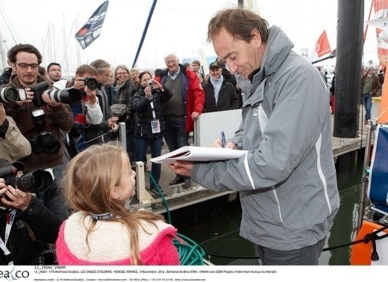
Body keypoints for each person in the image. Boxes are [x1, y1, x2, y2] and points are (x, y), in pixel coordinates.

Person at [169, 7, 340, 265]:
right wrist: (231, 144)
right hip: (269, 224)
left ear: (256, 39)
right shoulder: (260, 77)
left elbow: (271, 164)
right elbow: (250, 129)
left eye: (233, 56)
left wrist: (199, 171)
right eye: (225, 60)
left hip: (292, 229)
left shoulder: (297, 78)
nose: (231, 67)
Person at [55, 143, 180, 265]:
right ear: (114, 191)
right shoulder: (153, 234)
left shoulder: (68, 232)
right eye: (129, 172)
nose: (134, 173)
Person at [1, 43, 74, 220]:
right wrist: (15, 105)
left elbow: (68, 125)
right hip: (22, 168)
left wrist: (57, 108)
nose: (29, 71)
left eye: (33, 66)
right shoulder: (3, 94)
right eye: (23, 65)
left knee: (60, 218)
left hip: (55, 164)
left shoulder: (53, 91)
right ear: (13, 65)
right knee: (31, 221)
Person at [0, 158, 63, 265]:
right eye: (5, 180)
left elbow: (58, 235)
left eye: (14, 176)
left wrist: (29, 206)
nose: (12, 183)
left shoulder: (25, 202)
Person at [157, 53, 205, 189]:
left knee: (183, 149)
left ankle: (187, 176)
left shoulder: (189, 75)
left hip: (181, 119)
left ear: (178, 61)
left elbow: (199, 93)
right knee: (173, 150)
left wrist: (197, 110)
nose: (171, 64)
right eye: (168, 63)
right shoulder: (161, 77)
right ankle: (179, 175)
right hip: (167, 120)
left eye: (173, 61)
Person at [132, 71, 172, 192]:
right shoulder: (137, 95)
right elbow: (137, 107)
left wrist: (160, 86)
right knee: (140, 158)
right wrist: (147, 98)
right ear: (140, 81)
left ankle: (155, 184)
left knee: (157, 158)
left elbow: (169, 96)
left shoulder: (158, 93)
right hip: (142, 131)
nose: (147, 82)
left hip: (157, 130)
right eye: (144, 80)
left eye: (149, 79)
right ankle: (137, 185)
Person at [66, 64, 103, 152]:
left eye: (92, 80)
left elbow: (96, 121)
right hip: (67, 140)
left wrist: (92, 99)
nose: (89, 82)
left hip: (83, 141)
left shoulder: (93, 94)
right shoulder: (64, 89)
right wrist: (73, 90)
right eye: (87, 79)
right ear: (78, 77)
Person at [89, 59, 119, 145]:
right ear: (96, 74)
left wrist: (112, 121)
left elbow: (107, 108)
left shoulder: (102, 88)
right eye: (106, 75)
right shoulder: (89, 91)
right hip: (93, 138)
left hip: (103, 133)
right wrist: (106, 123)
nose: (108, 77)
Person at [113, 65, 137, 164]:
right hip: (117, 119)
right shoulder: (115, 86)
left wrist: (127, 115)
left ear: (128, 73)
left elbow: (131, 103)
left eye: (124, 73)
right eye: (119, 73)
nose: (122, 75)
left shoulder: (130, 85)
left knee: (129, 148)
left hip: (128, 121)